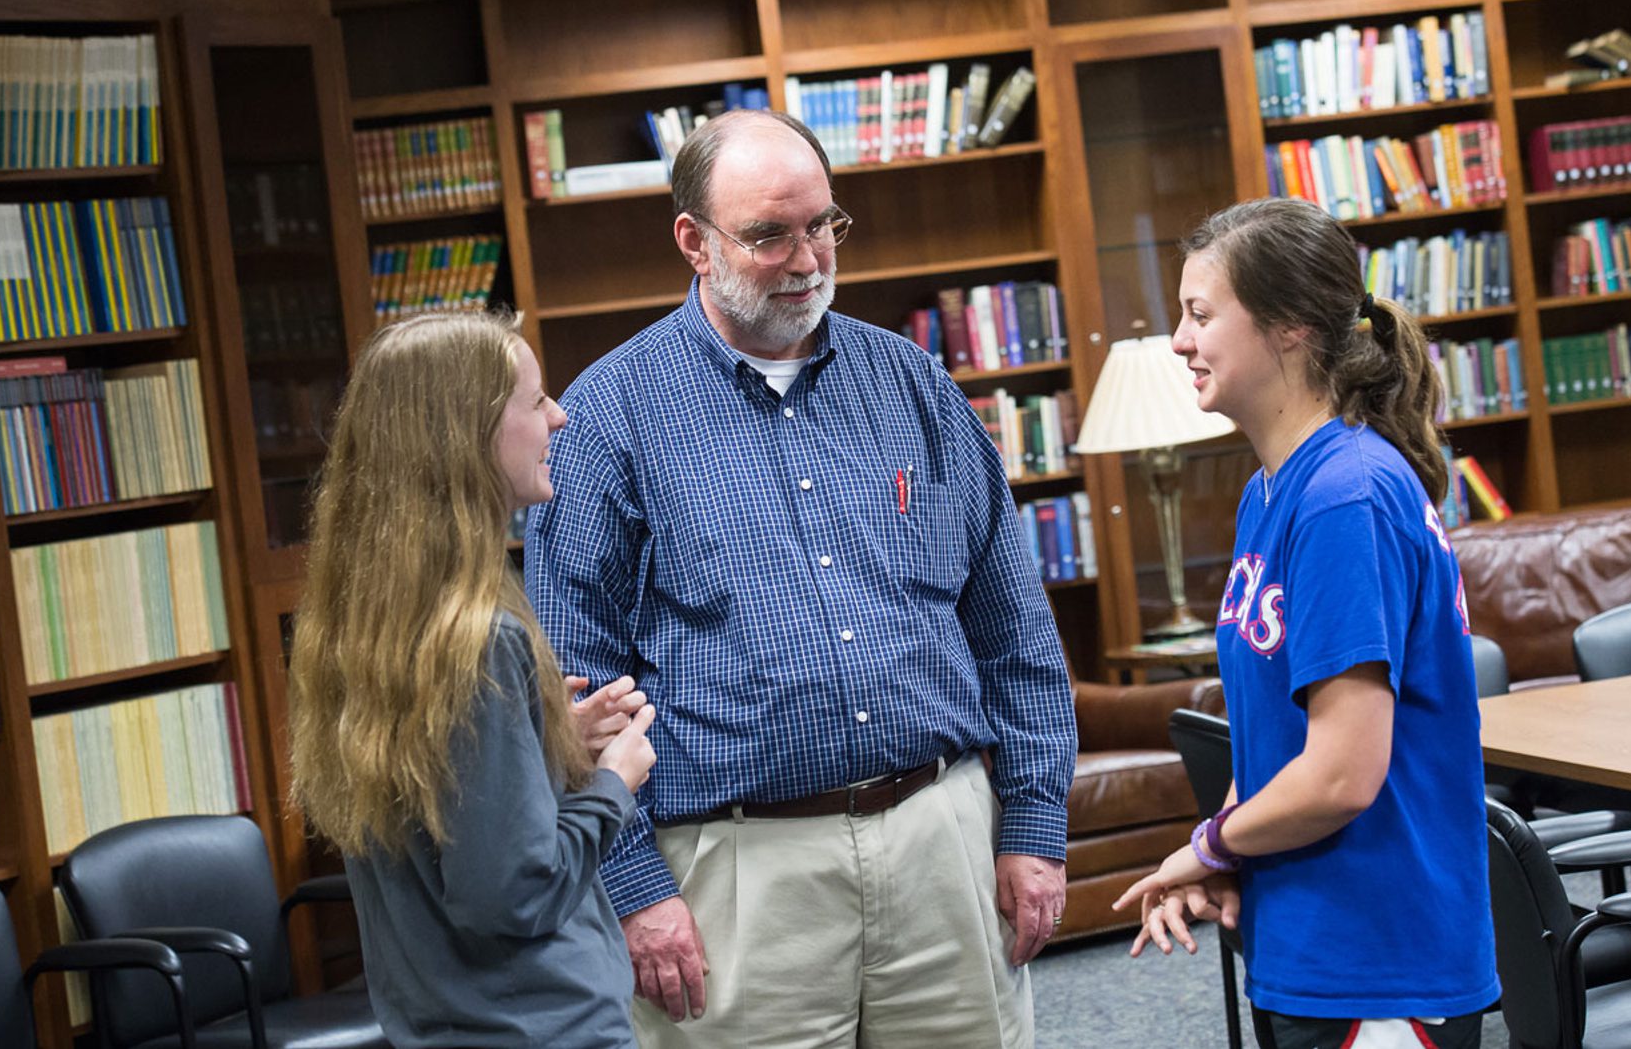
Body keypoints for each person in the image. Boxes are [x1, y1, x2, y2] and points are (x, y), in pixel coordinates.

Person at [525, 108, 1078, 1048]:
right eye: (769, 235)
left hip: (943, 835)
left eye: (823, 224)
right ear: (693, 242)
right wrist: (634, 889)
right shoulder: (608, 419)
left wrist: (1033, 820)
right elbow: (573, 689)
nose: (808, 257)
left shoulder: (911, 382)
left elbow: (1011, 625)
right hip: (738, 872)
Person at [1112, 198, 1499, 1049]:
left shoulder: (1343, 496)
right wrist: (1230, 849)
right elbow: (1279, 743)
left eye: (1201, 314)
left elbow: (1339, 776)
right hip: (1311, 941)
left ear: (1289, 327)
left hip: (1378, 950)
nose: (1179, 340)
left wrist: (1211, 845)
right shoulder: (1273, 491)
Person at [287, 311, 657, 1048]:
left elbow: (444, 816)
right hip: (545, 1028)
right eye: (535, 401)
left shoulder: (364, 629)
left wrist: (546, 752)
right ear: (466, 435)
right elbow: (510, 896)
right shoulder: (483, 640)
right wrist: (613, 782)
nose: (560, 415)